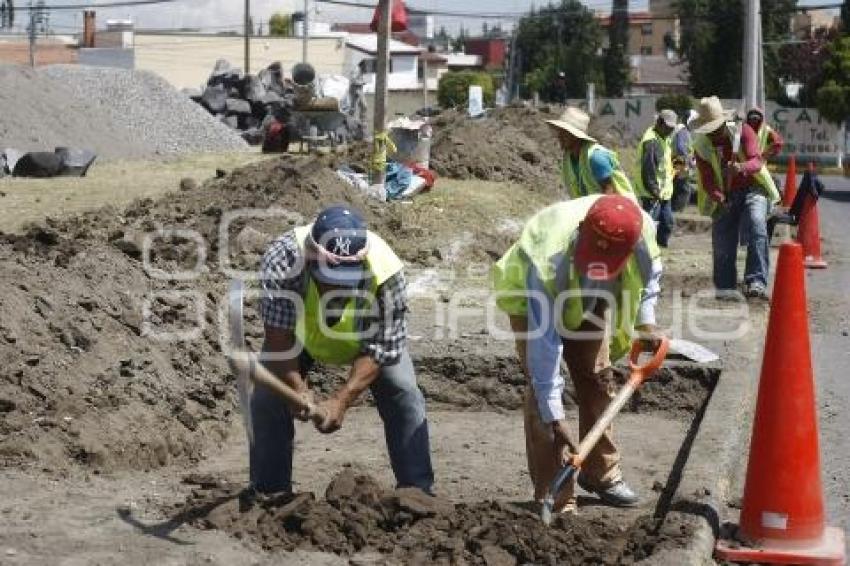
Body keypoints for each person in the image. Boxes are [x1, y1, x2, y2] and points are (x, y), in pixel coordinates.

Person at [492, 194, 664, 514]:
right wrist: (556, 419)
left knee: (599, 379)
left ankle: (602, 473)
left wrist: (647, 323)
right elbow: (545, 353)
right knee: (542, 398)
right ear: (582, 228)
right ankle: (555, 495)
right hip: (535, 301)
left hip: (592, 300)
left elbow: (650, 277)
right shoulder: (546, 261)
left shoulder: (642, 233)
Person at [254, 205, 434, 494]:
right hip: (298, 337)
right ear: (312, 260)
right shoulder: (284, 259)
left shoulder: (386, 271)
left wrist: (341, 400)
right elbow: (278, 336)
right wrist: (296, 388)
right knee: (266, 398)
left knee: (404, 391)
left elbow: (382, 349)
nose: (337, 289)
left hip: (366, 340)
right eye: (329, 279)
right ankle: (270, 493)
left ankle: (417, 493)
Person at [691, 97, 781, 300]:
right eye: (708, 131)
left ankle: (756, 281)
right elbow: (707, 180)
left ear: (723, 123)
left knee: (757, 224)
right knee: (722, 236)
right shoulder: (701, 146)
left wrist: (741, 167)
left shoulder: (743, 132)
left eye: (716, 129)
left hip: (754, 188)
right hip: (727, 194)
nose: (713, 135)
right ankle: (725, 287)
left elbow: (756, 161)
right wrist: (720, 197)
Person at [546, 107, 636, 200]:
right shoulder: (568, 160)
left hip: (620, 209)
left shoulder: (596, 158)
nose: (559, 136)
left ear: (575, 136)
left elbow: (610, 195)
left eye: (564, 133)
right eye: (559, 132)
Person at [634, 110, 678, 247]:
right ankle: (644, 248)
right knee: (649, 224)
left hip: (664, 192)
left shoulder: (664, 138)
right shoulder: (651, 141)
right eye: (668, 127)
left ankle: (660, 246)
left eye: (672, 128)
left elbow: (665, 162)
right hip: (652, 193)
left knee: (667, 222)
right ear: (659, 123)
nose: (670, 131)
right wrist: (654, 190)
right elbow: (648, 169)